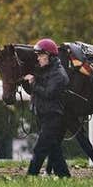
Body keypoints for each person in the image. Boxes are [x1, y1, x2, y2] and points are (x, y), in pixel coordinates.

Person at [24, 38, 71, 177]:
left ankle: (30, 176)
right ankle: (64, 176)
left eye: (41, 55)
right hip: (44, 116)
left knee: (40, 149)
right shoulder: (46, 70)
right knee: (54, 149)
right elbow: (36, 90)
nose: (38, 58)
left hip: (53, 117)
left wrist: (33, 83)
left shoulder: (58, 74)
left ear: (49, 56)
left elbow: (48, 93)